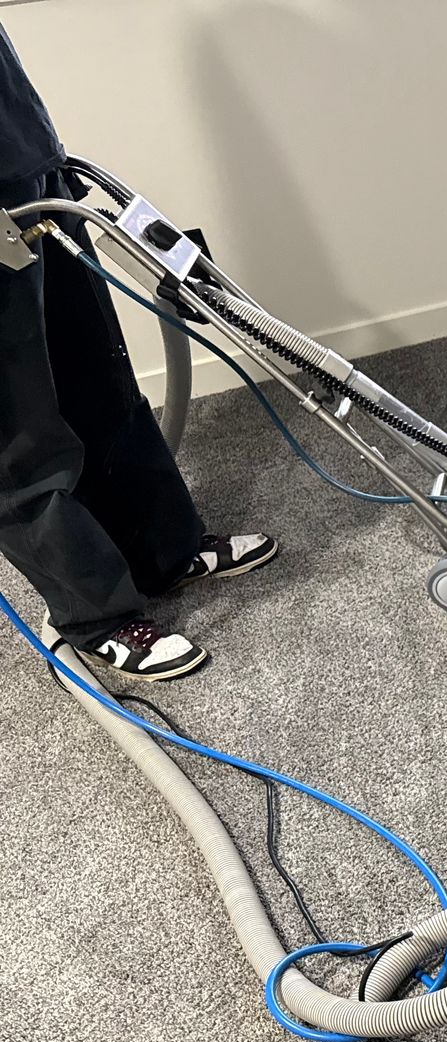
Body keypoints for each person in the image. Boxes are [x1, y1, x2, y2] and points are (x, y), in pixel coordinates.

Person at [0, 25, 275, 681]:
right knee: (19, 434)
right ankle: (96, 616)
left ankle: (166, 553)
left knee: (99, 378)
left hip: (28, 163)